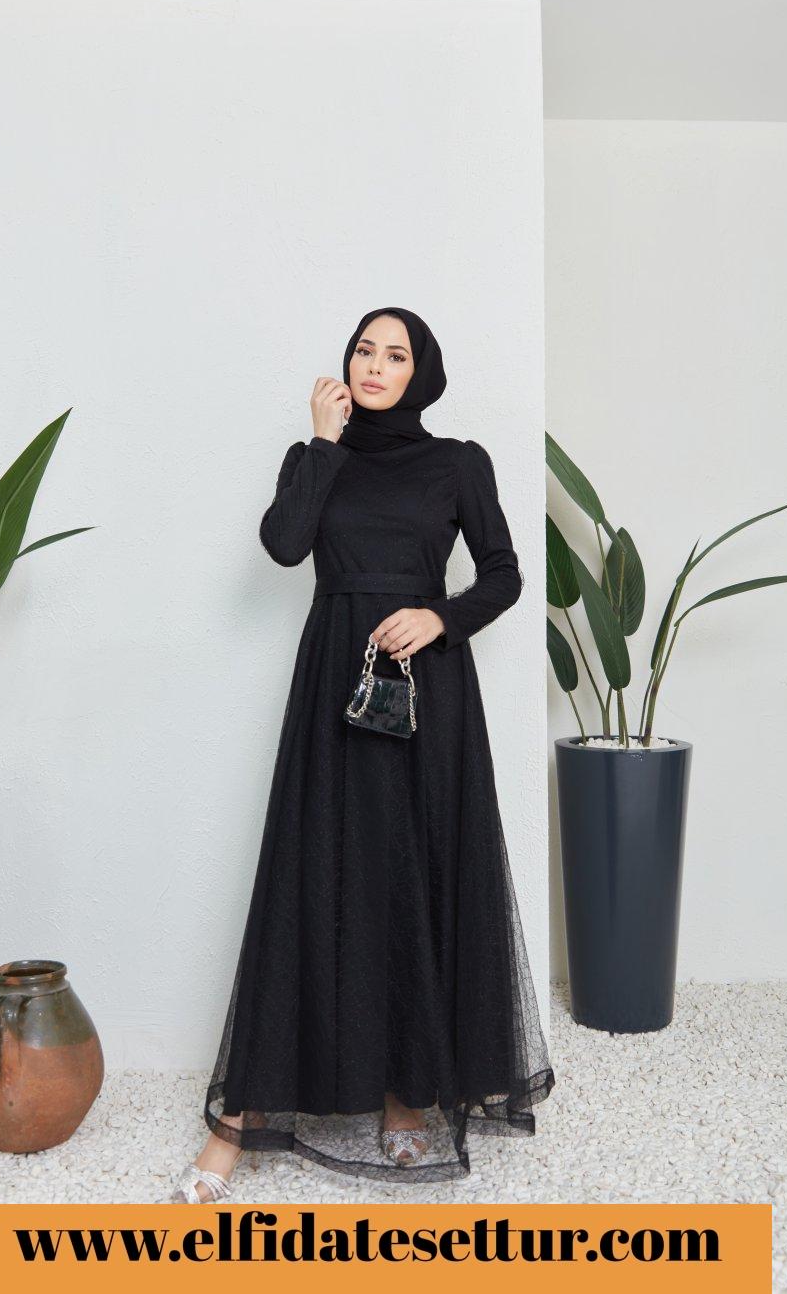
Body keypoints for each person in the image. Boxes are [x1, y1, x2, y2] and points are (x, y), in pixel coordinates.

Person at [170, 307, 554, 1202]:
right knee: (314, 873)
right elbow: (284, 546)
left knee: (411, 872)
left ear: (422, 372)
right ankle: (239, 1122)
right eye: (363, 351)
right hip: (333, 681)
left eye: (396, 355)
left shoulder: (458, 462)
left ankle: (406, 1096)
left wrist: (440, 616)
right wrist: (322, 442)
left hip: (426, 689)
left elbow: (503, 572)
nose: (375, 366)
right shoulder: (316, 457)